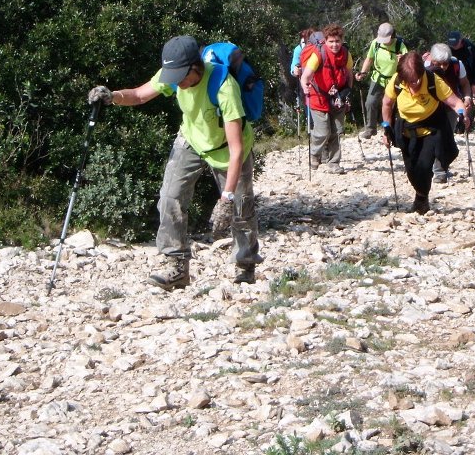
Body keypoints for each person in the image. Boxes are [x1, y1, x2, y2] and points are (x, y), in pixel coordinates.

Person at [87, 35, 259, 290]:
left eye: (181, 75)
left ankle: (245, 266)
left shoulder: (224, 86)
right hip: (191, 139)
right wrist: (112, 96)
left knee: (240, 210)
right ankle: (177, 267)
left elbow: (236, 149)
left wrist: (227, 198)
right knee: (170, 197)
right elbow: (139, 95)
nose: (176, 81)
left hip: (226, 149)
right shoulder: (173, 72)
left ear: (195, 67)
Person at [381, 51, 469, 214]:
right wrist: (386, 126)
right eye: (408, 81)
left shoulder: (432, 81)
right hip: (406, 130)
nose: (412, 84)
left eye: (415, 80)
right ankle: (420, 195)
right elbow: (387, 103)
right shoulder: (397, 82)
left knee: (424, 166)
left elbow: (455, 102)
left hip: (431, 129)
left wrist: (462, 115)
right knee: (412, 170)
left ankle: (422, 201)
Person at [300, 24, 354, 174]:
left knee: (336, 131)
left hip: (339, 96)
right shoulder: (318, 54)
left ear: (342, 40)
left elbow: (349, 74)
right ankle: (314, 154)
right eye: (331, 41)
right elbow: (306, 76)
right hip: (318, 96)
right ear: (325, 41)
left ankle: (334, 162)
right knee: (323, 131)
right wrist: (305, 87)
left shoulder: (346, 54)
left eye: (337, 41)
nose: (334, 44)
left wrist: (347, 93)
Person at [424, 42, 473, 183]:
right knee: (430, 138)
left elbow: (464, 83)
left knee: (446, 137)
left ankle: (440, 172)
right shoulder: (423, 67)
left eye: (445, 64)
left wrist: (468, 97)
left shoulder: (457, 65)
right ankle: (426, 168)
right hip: (428, 108)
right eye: (438, 63)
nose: (442, 67)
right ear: (432, 59)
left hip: (450, 106)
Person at [355, 22, 407, 139]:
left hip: (394, 80)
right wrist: (363, 72)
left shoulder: (400, 45)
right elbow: (369, 59)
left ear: (392, 36)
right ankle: (370, 129)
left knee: (393, 105)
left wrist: (402, 60)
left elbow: (408, 63)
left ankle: (392, 129)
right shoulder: (376, 43)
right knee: (370, 102)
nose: (383, 41)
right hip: (378, 78)